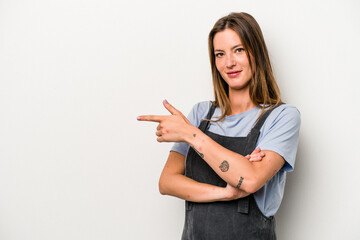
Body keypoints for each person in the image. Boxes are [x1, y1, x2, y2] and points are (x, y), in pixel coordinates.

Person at [137, 12, 300, 240]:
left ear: (257, 53)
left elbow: (251, 180)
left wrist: (191, 134)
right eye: (220, 54)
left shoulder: (282, 117)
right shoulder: (201, 113)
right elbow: (167, 182)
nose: (229, 63)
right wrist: (225, 193)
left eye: (239, 50)